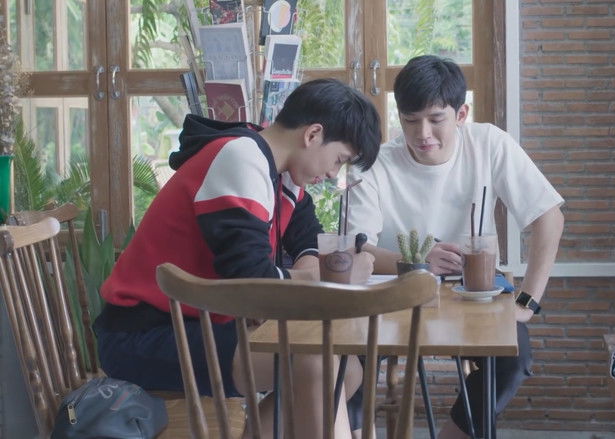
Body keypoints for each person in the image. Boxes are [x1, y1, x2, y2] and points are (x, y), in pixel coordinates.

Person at [94, 78, 380, 439]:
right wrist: (334, 274)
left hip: (198, 325)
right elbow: (251, 284)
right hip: (145, 335)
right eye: (339, 160)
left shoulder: (283, 174)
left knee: (347, 370)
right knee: (317, 362)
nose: (333, 174)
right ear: (313, 134)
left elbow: (309, 242)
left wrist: (316, 272)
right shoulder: (240, 158)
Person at [347, 55, 564, 438]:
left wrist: (528, 301)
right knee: (347, 359)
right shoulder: (375, 164)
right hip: (392, 299)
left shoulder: (489, 143)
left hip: (475, 295)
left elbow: (549, 217)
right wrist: (416, 261)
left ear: (461, 114)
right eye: (410, 120)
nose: (422, 133)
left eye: (435, 119)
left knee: (513, 360)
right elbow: (357, 250)